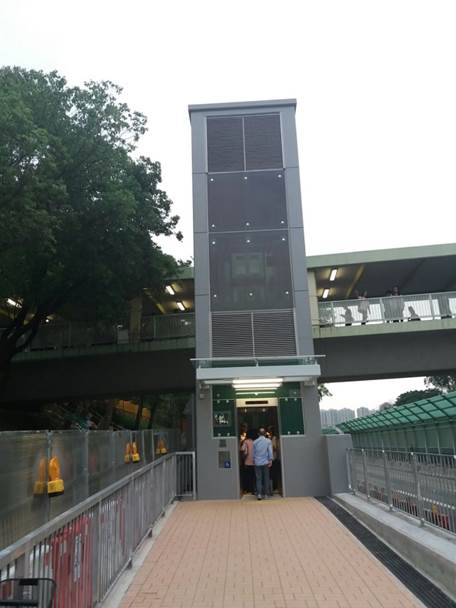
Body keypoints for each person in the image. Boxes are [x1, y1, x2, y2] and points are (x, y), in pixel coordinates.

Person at [253, 427, 272, 500]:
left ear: (258, 434)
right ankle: (266, 494)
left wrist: (254, 460)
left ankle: (259, 494)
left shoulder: (255, 442)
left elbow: (254, 453)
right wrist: (270, 460)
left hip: (257, 462)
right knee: (266, 478)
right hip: (266, 462)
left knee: (258, 478)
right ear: (265, 433)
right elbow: (270, 451)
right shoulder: (268, 441)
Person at [241, 429, 256, 494]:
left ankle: (248, 489)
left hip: (247, 461)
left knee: (248, 476)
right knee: (254, 476)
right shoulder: (256, 441)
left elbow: (242, 449)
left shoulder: (246, 441)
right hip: (255, 461)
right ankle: (254, 489)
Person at [267, 425, 281, 494]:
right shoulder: (270, 438)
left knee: (274, 473)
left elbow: (276, 448)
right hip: (271, 458)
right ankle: (272, 487)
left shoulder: (275, 438)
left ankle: (275, 487)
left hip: (274, 458)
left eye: (269, 430)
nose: (269, 432)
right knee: (271, 473)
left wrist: (271, 448)